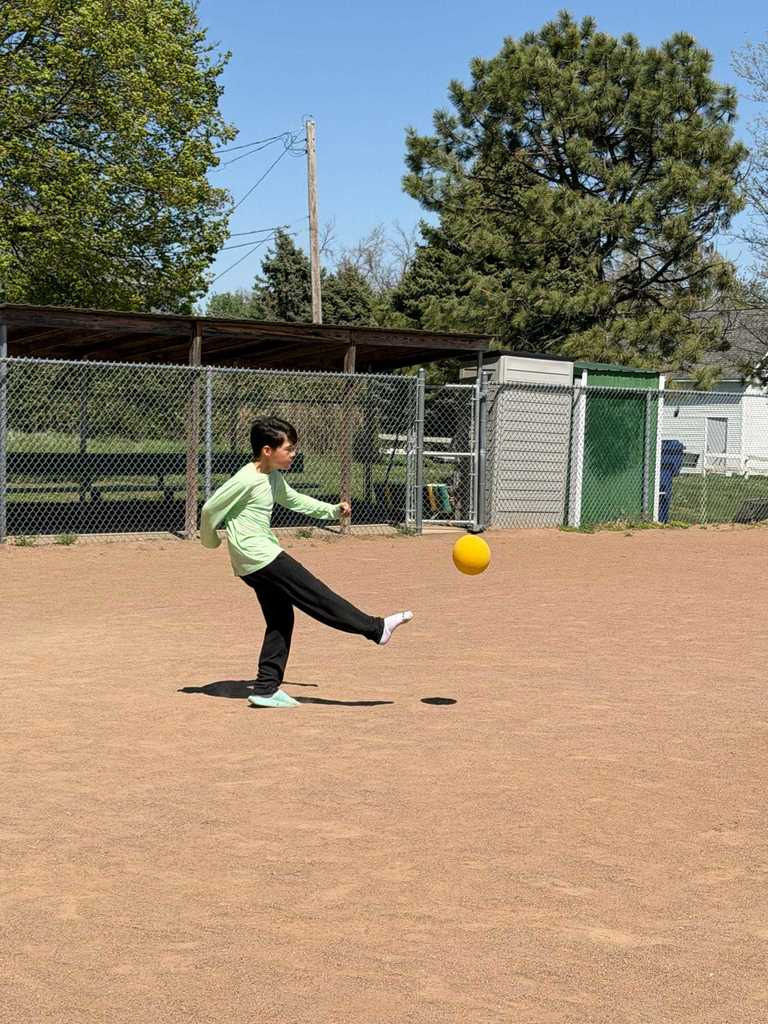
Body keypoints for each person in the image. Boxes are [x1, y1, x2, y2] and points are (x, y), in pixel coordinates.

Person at [200, 416, 413, 708]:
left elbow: (294, 500)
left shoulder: (271, 476)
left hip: (253, 560)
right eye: (288, 448)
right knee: (316, 595)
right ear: (267, 450)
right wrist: (210, 540)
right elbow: (210, 508)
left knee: (281, 618)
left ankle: (265, 688)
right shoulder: (246, 478)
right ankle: (376, 628)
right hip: (261, 557)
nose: (293, 453)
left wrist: (332, 511)